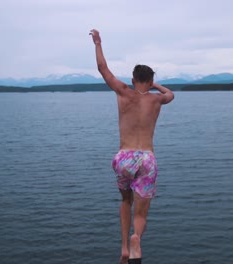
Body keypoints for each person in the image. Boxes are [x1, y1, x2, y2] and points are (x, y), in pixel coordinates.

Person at [89, 29, 174, 264]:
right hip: (146, 158)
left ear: (133, 79)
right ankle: (137, 236)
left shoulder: (123, 92)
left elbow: (103, 70)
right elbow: (171, 94)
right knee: (141, 211)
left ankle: (124, 247)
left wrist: (98, 43)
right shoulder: (156, 99)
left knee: (125, 200)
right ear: (150, 80)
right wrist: (155, 85)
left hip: (124, 157)